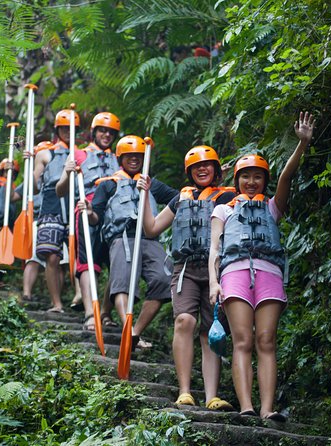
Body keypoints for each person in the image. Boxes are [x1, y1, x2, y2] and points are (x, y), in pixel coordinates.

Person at [208, 111, 315, 420]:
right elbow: (214, 249)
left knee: (266, 341)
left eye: (257, 176)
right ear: (236, 180)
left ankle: (268, 410)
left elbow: (287, 177)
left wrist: (302, 145)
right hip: (234, 274)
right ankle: (246, 407)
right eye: (245, 176)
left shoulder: (272, 207)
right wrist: (214, 282)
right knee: (243, 341)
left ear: (264, 180)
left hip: (269, 274)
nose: (251, 181)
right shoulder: (223, 210)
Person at [138, 145, 236, 410]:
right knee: (184, 321)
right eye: (196, 167)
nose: (202, 169)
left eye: (207, 165)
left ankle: (212, 396)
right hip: (185, 270)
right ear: (189, 172)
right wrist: (145, 195)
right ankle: (184, 392)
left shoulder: (229, 196)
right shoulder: (180, 198)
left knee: (210, 331)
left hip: (217, 269)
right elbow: (152, 228)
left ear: (216, 169)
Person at [80, 135, 178, 348]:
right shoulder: (108, 185)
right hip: (122, 238)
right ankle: (127, 330)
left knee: (163, 279)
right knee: (122, 285)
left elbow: (179, 199)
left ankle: (134, 332)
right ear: (120, 158)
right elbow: (95, 218)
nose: (134, 159)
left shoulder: (152, 184)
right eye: (129, 156)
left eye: (138, 156)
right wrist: (88, 212)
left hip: (150, 239)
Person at [71, 112, 121, 330]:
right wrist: (67, 172)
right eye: (102, 130)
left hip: (113, 212)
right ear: (94, 132)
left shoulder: (120, 158)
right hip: (88, 207)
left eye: (111, 132)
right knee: (87, 263)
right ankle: (90, 314)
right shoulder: (79, 154)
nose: (106, 135)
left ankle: (106, 312)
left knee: (115, 263)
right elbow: (61, 187)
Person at [33, 109, 85, 313]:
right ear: (57, 129)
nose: (68, 132)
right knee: (52, 256)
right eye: (64, 128)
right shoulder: (46, 153)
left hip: (74, 206)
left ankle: (80, 293)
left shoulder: (82, 153)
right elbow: (35, 184)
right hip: (51, 207)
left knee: (77, 253)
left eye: (71, 129)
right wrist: (32, 170)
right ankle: (57, 304)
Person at [16, 140, 51, 301]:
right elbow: (14, 196)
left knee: (58, 261)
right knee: (34, 259)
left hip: (54, 219)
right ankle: (27, 293)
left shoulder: (57, 176)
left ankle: (55, 300)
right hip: (37, 219)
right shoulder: (33, 176)